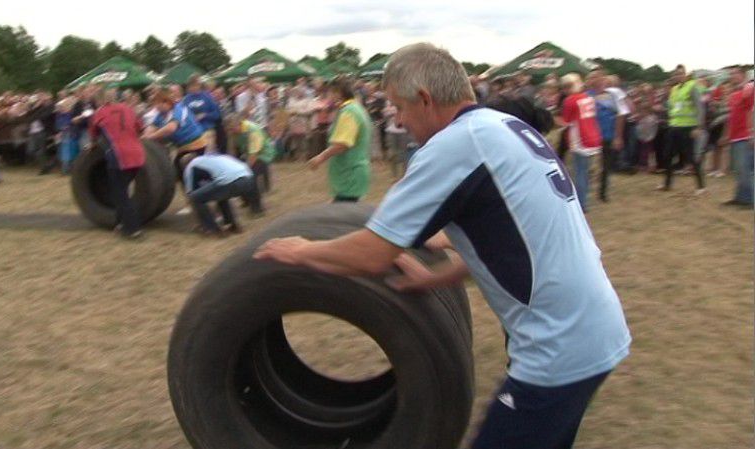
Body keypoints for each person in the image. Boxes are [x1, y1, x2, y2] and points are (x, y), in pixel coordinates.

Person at [254, 43, 630, 449]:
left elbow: (372, 252)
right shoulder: (502, 127)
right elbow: (511, 237)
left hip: (558, 345)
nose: (397, 119)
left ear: (425, 99)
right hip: (594, 329)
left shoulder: (456, 144)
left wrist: (299, 252)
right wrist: (435, 279)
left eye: (399, 107)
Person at [89, 88, 146, 239]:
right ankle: (120, 224)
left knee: (120, 194)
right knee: (121, 190)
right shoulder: (128, 109)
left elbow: (93, 133)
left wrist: (94, 144)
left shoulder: (100, 112)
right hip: (137, 154)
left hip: (119, 156)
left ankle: (133, 229)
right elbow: (140, 127)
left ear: (100, 100)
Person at [308, 76, 372, 202]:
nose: (329, 96)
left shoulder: (349, 112)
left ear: (338, 92)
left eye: (331, 92)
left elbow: (342, 144)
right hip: (352, 173)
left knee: (344, 214)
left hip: (349, 174)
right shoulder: (355, 108)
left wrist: (320, 158)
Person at [184, 153, 263, 236]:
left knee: (195, 198)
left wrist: (200, 218)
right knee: (220, 193)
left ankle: (212, 230)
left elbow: (191, 193)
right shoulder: (212, 158)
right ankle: (233, 226)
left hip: (230, 181)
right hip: (249, 178)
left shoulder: (190, 166)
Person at [657, 65, 706, 194]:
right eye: (676, 74)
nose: (678, 76)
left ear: (685, 74)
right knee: (667, 156)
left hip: (688, 128)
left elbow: (700, 108)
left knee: (691, 157)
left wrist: (698, 127)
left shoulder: (692, 87)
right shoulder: (674, 89)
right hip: (674, 127)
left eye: (680, 73)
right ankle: (667, 184)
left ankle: (701, 187)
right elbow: (673, 108)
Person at [142, 88, 207, 184]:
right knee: (178, 172)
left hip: (197, 144)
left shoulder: (178, 108)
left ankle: (200, 188)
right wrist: (144, 136)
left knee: (187, 169)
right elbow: (151, 127)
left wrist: (151, 137)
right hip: (183, 148)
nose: (156, 107)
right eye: (154, 104)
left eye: (157, 103)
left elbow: (171, 128)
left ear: (165, 102)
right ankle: (191, 192)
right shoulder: (160, 115)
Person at [560, 73, 603, 212]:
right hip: (592, 136)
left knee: (580, 172)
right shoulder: (588, 98)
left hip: (580, 139)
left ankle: (581, 203)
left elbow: (566, 121)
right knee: (585, 171)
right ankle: (583, 200)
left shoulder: (570, 100)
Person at [586, 69, 630, 202]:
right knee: (589, 166)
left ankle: (603, 193)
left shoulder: (614, 95)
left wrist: (618, 136)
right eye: (592, 77)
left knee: (606, 166)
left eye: (598, 77)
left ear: (604, 79)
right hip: (590, 136)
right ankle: (585, 192)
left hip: (607, 135)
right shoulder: (586, 96)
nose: (595, 80)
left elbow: (621, 115)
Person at [722, 66, 754, 208]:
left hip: (744, 136)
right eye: (731, 74)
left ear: (742, 75)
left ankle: (748, 200)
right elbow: (730, 117)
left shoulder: (749, 91)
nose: (732, 76)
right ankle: (740, 197)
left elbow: (752, 112)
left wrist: (752, 134)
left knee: (745, 168)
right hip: (734, 137)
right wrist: (726, 135)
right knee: (738, 169)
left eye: (734, 73)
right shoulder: (734, 95)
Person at [225, 113, 276, 193]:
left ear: (239, 124)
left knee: (251, 173)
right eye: (228, 129)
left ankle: (254, 196)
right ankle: (263, 181)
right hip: (248, 151)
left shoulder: (253, 130)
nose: (230, 132)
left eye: (232, 129)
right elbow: (232, 149)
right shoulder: (233, 132)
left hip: (264, 153)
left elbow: (253, 155)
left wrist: (244, 169)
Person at [183, 74, 223, 154]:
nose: (194, 88)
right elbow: (184, 117)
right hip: (193, 133)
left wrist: (204, 115)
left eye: (196, 85)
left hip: (207, 130)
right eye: (192, 85)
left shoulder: (207, 97)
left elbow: (217, 114)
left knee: (208, 153)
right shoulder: (186, 100)